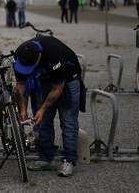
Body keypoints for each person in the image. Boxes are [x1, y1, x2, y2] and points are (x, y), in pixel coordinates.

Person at [13, 36, 85, 177]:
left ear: (39, 58)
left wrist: (43, 108)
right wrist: (22, 109)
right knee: (43, 120)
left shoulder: (54, 55)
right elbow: (21, 85)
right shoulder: (20, 54)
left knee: (68, 120)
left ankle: (68, 160)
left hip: (68, 79)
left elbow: (58, 88)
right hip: (44, 78)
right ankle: (45, 158)